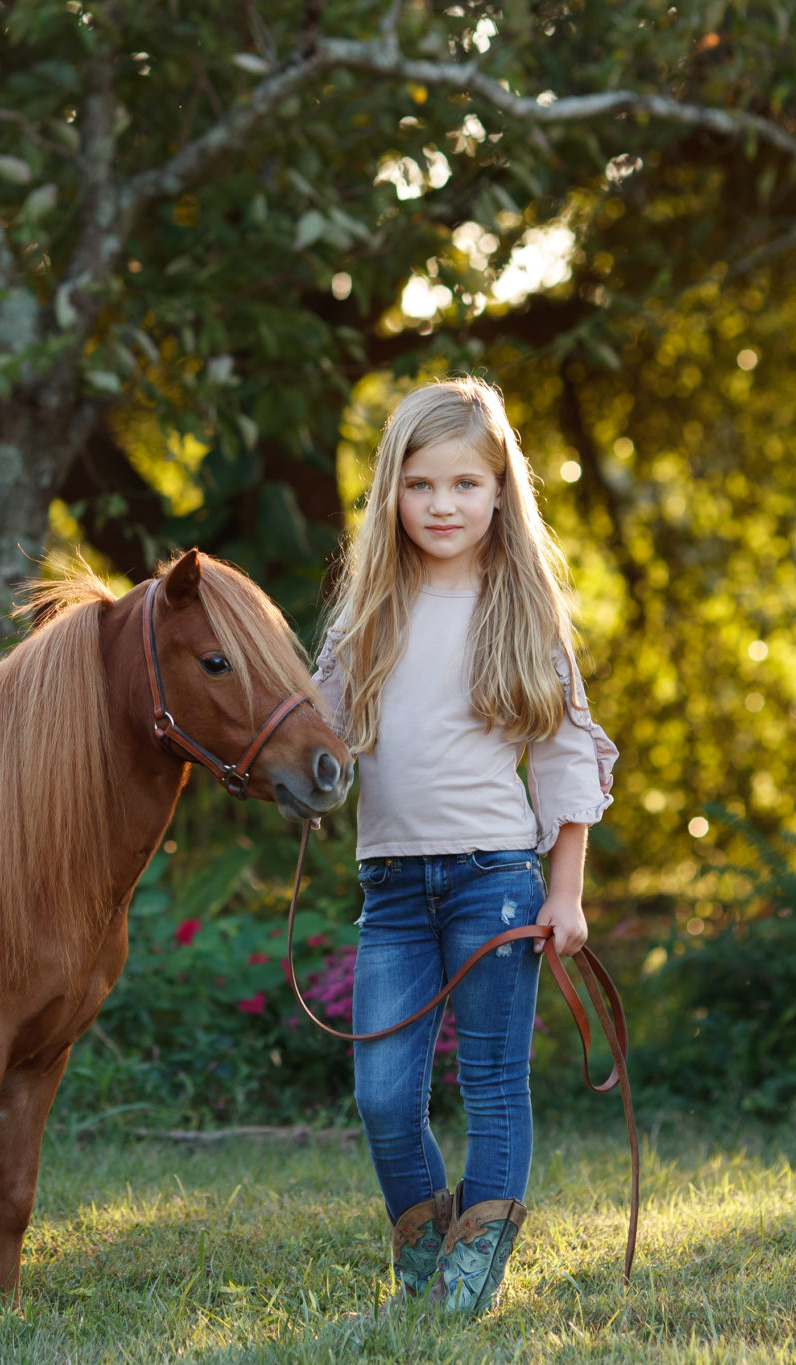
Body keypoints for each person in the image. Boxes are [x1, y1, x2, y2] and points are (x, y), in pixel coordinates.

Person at [311, 375, 617, 1317]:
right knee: (382, 1097)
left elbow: (567, 760)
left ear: (498, 493)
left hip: (495, 880)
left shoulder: (519, 611)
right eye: (419, 485)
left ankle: (460, 1289)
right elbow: (313, 734)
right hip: (393, 888)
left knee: (492, 1084)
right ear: (390, 494)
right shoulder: (365, 612)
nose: (442, 505)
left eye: (464, 485)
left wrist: (563, 894)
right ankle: (426, 1254)